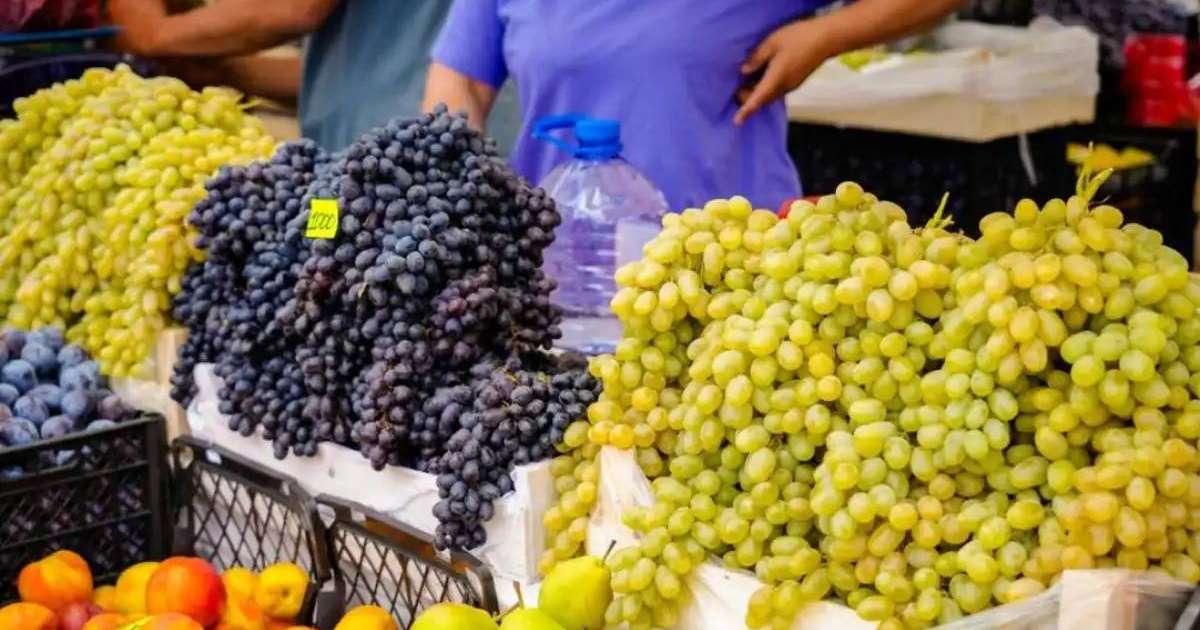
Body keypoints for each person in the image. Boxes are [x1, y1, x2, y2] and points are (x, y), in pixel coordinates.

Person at [422, 0, 964, 211]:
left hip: (736, 277)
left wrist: (824, 36)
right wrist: (460, 186)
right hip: (561, 272)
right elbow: (460, 82)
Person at [108, 0, 520, 151]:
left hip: (378, 173)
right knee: (325, 277)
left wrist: (156, 34)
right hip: (366, 162)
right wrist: (228, 72)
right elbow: (357, 73)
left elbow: (296, 8)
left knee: (325, 280)